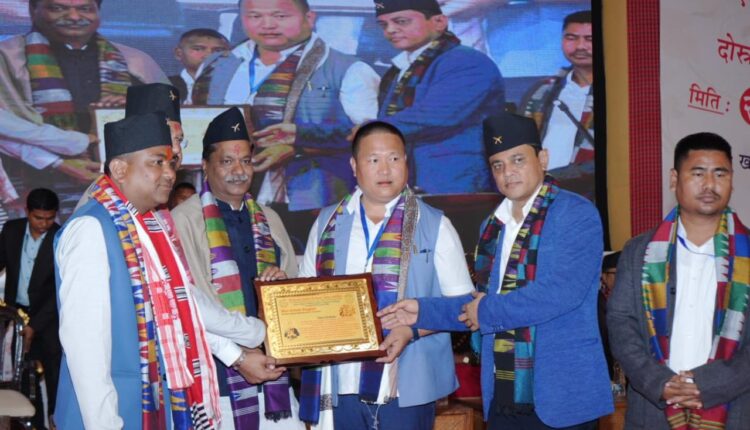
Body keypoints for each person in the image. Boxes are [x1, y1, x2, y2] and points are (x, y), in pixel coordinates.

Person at [379, 113, 613, 429]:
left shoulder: (575, 213)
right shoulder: (492, 226)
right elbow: (479, 303)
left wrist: (486, 310)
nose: (508, 172)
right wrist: (421, 311)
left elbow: (559, 293)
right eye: (498, 165)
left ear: (543, 159)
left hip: (562, 397)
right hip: (503, 391)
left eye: (518, 160)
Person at [55, 112, 283, 429]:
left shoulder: (146, 227)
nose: (169, 173)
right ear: (119, 169)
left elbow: (182, 303)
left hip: (152, 402)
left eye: (171, 163)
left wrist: (258, 334)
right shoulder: (92, 228)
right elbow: (85, 348)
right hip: (111, 410)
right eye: (157, 162)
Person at [296, 120, 474, 429]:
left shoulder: (435, 225)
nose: (385, 169)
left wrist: (412, 330)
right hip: (340, 385)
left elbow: (466, 308)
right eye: (373, 159)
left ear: (406, 163)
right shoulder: (326, 224)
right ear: (354, 166)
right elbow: (304, 299)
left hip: (408, 386)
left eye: (394, 158)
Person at [607, 132, 750, 429]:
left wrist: (709, 384)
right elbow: (621, 324)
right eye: (697, 173)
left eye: (720, 173)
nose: (709, 184)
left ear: (732, 180)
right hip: (652, 413)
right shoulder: (639, 252)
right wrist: (658, 382)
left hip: (735, 411)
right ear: (674, 179)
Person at [172, 107, 302, 429]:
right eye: (227, 161)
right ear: (205, 165)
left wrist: (281, 285)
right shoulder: (183, 221)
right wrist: (239, 358)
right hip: (217, 380)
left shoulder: (269, 218)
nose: (239, 171)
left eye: (245, 160)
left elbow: (296, 292)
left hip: (274, 373)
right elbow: (185, 305)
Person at [193, 0, 380, 213]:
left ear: (309, 18)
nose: (267, 24)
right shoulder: (218, 64)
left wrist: (298, 147)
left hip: (308, 198)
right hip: (222, 193)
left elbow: (369, 137)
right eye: (255, 16)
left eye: (280, 16)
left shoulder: (349, 69)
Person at [0, 0, 169, 217]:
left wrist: (132, 108)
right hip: (33, 190)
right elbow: (6, 132)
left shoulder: (135, 61)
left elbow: (170, 124)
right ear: (33, 10)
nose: (73, 16)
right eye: (58, 8)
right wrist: (58, 162)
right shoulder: (7, 58)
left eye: (85, 9)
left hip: (126, 191)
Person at [374, 0, 505, 194]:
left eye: (401, 21)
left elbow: (435, 116)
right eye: (384, 25)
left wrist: (372, 130)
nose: (390, 30)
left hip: (457, 181)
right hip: (412, 178)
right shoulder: (403, 67)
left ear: (439, 22)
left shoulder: (467, 61)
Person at [0, 188, 61, 427]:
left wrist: (35, 325)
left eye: (49, 218)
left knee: (53, 375)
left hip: (49, 318)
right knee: (23, 372)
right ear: (27, 212)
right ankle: (28, 423)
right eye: (38, 218)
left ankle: (53, 421)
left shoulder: (60, 237)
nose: (44, 224)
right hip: (18, 314)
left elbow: (58, 290)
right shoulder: (11, 230)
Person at [74, 82, 185, 210]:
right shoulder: (101, 204)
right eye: (167, 137)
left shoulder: (155, 195)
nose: (177, 149)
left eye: (179, 140)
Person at [520, 11, 594, 186]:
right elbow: (520, 141)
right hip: (541, 188)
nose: (580, 46)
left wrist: (562, 177)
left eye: (589, 39)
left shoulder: (617, 92)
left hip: (588, 189)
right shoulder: (543, 90)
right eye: (571, 38)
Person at [170, 28, 230, 104]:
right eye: (198, 49)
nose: (209, 55)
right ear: (179, 53)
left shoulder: (239, 86)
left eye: (218, 50)